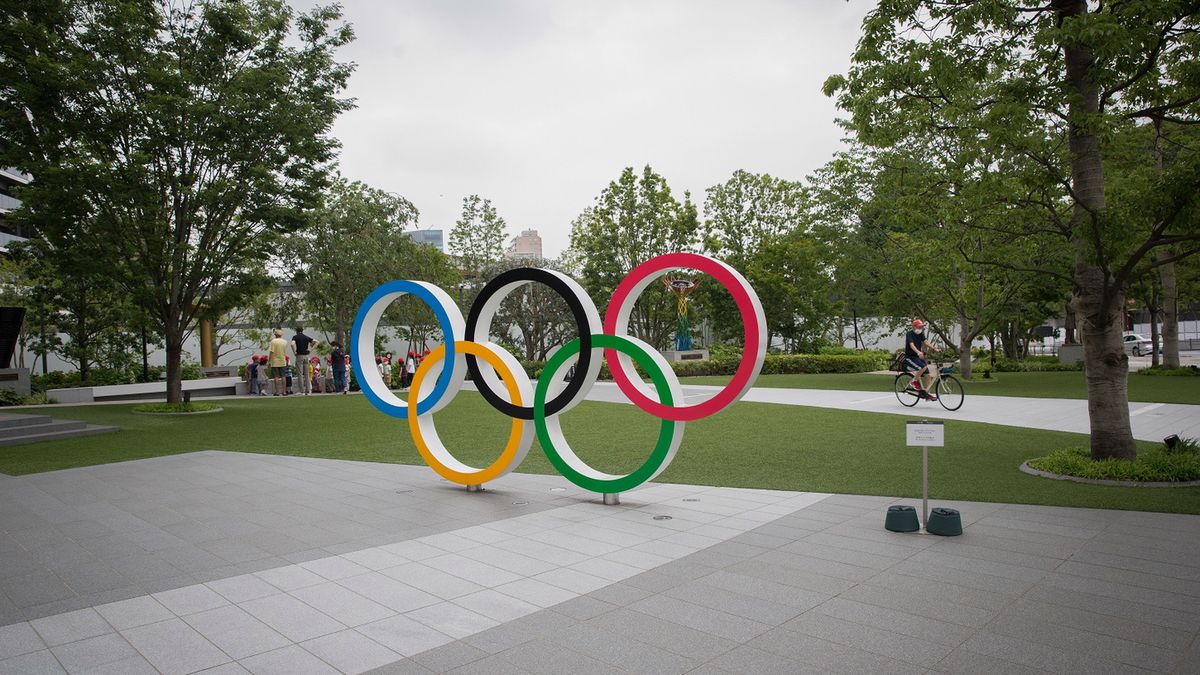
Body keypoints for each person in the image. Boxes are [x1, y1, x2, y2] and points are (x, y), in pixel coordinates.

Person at [905, 319, 942, 400]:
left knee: (927, 375)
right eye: (919, 327)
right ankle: (913, 381)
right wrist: (918, 352)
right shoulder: (909, 334)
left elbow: (926, 342)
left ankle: (927, 394)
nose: (920, 328)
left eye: (921, 327)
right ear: (913, 327)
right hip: (910, 357)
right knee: (923, 367)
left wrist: (934, 348)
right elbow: (912, 345)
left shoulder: (920, 334)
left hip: (917, 357)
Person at [291, 325, 319, 396]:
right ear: (302, 330)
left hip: (299, 356)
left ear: (296, 331)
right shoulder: (306, 337)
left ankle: (302, 391)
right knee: (307, 374)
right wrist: (310, 350)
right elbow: (317, 342)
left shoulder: (295, 337)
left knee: (300, 374)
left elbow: (292, 344)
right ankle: (308, 390)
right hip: (306, 356)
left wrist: (295, 352)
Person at [268, 329, 289, 396]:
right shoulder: (285, 342)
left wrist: (269, 361)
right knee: (283, 376)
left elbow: (271, 352)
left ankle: (277, 392)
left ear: (275, 334)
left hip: (275, 361)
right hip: (282, 360)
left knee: (276, 376)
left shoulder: (273, 341)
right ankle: (284, 391)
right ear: (281, 334)